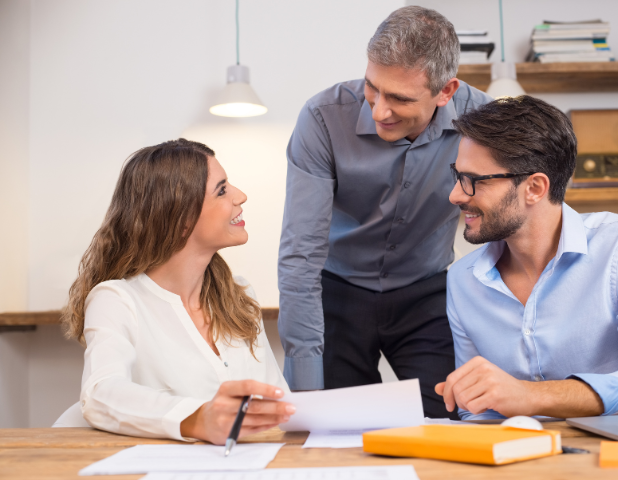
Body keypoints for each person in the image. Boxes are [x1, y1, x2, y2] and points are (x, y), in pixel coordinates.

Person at [277, 6, 492, 418]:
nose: (378, 111)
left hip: (427, 292)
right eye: (373, 87)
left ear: (445, 92)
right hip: (336, 292)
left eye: (399, 98)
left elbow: (506, 227)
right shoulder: (322, 119)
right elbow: (300, 253)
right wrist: (306, 390)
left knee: (449, 421)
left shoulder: (482, 121)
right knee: (335, 428)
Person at [436, 96, 618, 420]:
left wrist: (531, 397)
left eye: (473, 181)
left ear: (535, 188)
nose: (456, 195)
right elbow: (476, 410)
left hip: (613, 458)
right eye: (457, 176)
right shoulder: (463, 280)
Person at [61, 139, 295, 443]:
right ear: (181, 218)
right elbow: (100, 394)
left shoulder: (240, 296)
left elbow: (276, 406)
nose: (240, 196)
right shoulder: (116, 301)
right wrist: (199, 419)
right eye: (222, 190)